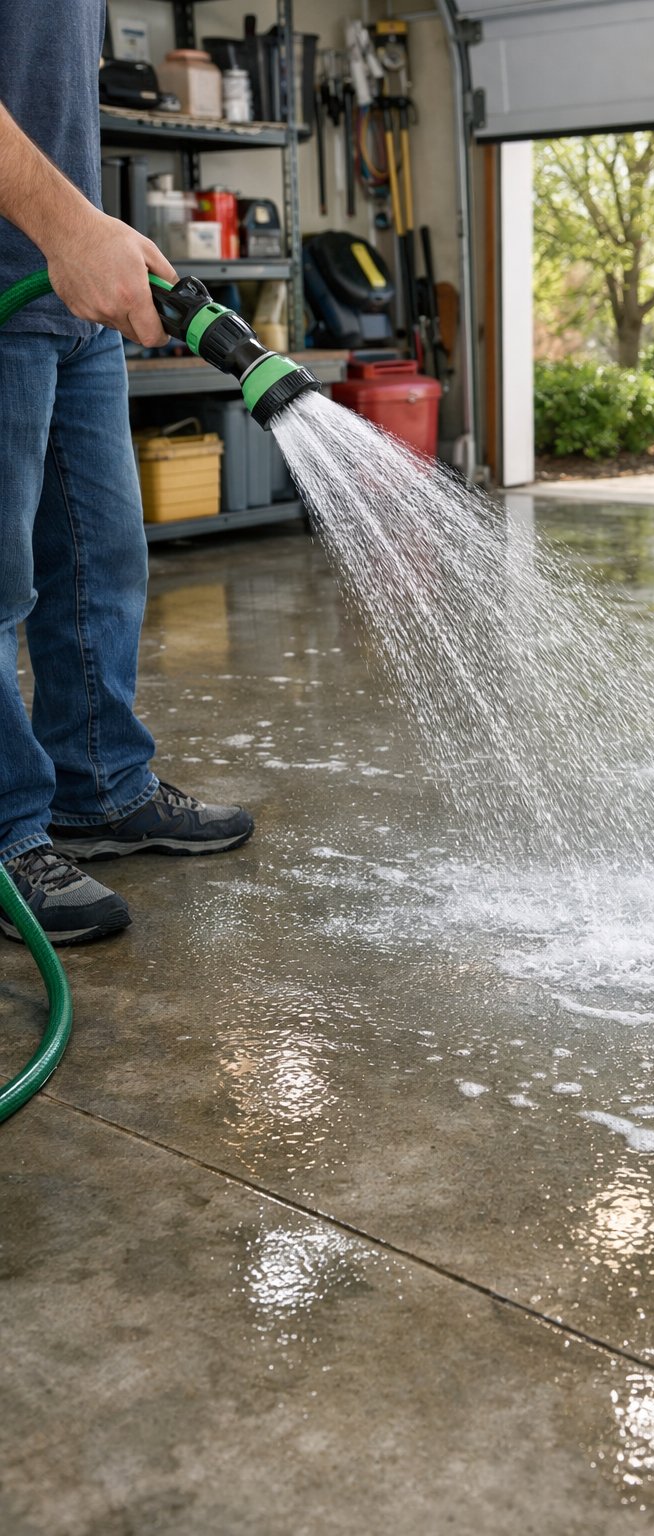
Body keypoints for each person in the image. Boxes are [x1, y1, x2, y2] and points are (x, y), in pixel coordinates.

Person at [0, 4, 253, 946]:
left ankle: (99, 788)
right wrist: (71, 229)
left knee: (104, 562)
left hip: (68, 295)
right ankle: (5, 834)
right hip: (15, 281)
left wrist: (87, 235)